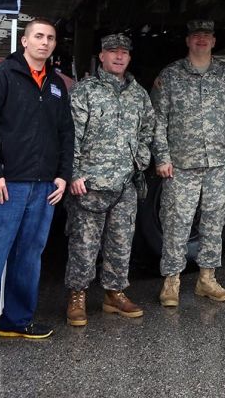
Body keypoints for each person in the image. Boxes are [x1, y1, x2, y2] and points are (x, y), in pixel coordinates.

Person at [0, 18, 71, 359]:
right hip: (6, 186)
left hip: (45, 187)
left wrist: (62, 175)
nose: (44, 42)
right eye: (38, 36)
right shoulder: (2, 76)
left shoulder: (56, 85)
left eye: (50, 38)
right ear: (24, 41)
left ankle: (15, 321)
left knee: (28, 257)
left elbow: (65, 132)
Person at [64, 33, 166, 327]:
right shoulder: (85, 92)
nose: (119, 57)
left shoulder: (138, 94)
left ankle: (114, 293)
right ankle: (78, 295)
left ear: (129, 58)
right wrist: (74, 173)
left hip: (125, 183)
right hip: (90, 184)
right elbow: (71, 136)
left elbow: (148, 128)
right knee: (84, 244)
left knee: (121, 242)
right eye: (113, 52)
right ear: (102, 56)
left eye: (124, 52)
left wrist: (141, 159)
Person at [150, 19, 225, 307]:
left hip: (217, 163)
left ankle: (207, 278)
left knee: (215, 221)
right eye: (196, 35)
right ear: (188, 41)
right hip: (181, 165)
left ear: (214, 41)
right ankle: (171, 281)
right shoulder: (171, 75)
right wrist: (162, 158)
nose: (201, 40)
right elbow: (157, 121)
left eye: (207, 35)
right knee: (177, 222)